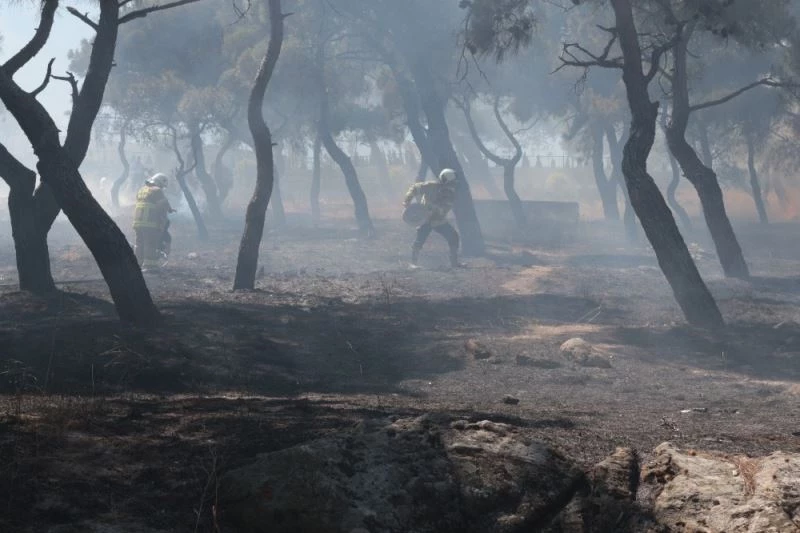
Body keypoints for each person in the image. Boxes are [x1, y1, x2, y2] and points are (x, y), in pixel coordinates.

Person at [403, 168, 462, 268]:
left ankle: (454, 263)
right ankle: (413, 264)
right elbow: (415, 188)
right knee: (419, 241)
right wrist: (407, 199)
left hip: (438, 221)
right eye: (451, 183)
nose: (453, 185)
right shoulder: (431, 186)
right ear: (446, 181)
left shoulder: (450, 195)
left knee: (454, 237)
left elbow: (443, 209)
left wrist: (433, 208)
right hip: (424, 220)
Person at [133, 173, 174, 271]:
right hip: (149, 222)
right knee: (150, 243)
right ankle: (149, 266)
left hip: (137, 221)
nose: (162, 188)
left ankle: (137, 264)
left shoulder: (142, 190)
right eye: (162, 186)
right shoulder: (157, 190)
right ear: (159, 183)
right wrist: (169, 211)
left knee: (139, 243)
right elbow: (163, 204)